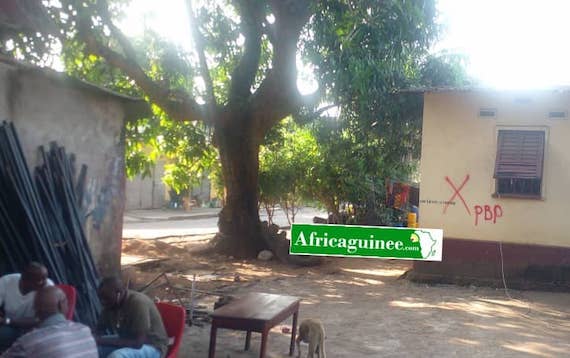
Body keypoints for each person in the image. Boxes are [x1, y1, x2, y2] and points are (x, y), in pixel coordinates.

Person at [1, 286, 97, 357]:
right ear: (61, 305)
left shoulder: (29, 342)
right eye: (66, 301)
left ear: (35, 309)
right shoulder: (85, 330)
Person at [96, 277, 168, 358]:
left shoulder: (137, 303)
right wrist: (91, 338)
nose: (103, 302)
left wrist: (101, 340)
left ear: (119, 293)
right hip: (128, 339)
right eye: (101, 299)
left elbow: (138, 343)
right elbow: (99, 329)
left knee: (116, 356)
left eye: (106, 299)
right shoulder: (110, 304)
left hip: (152, 346)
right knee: (95, 350)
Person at [0, 262, 54, 352]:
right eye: (38, 280)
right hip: (11, 327)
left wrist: (7, 320)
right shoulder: (7, 281)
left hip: (35, 331)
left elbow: (42, 320)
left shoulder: (48, 287)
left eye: (45, 278)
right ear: (24, 279)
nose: (43, 282)